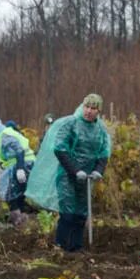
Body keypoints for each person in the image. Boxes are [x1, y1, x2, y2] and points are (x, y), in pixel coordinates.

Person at [52, 94, 112, 252]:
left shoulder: (100, 129)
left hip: (87, 177)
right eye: (87, 107)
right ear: (82, 106)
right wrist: (74, 170)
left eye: (93, 108)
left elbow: (104, 152)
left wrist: (98, 170)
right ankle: (61, 246)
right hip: (67, 175)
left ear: (98, 111)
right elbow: (60, 148)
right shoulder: (71, 124)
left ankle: (76, 248)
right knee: (68, 211)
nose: (89, 111)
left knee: (81, 213)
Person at [0, 120, 36, 226]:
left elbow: (19, 151)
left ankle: (18, 220)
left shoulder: (6, 136)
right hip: (26, 165)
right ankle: (22, 220)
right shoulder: (16, 135)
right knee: (20, 194)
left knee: (12, 194)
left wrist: (20, 168)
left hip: (21, 166)